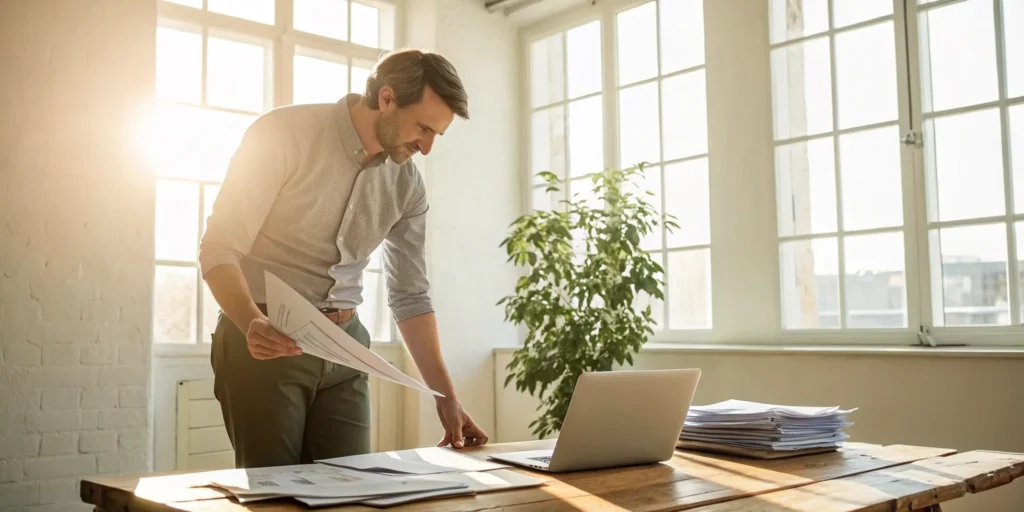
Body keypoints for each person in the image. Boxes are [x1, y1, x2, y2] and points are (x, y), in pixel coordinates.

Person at [199, 48, 489, 469]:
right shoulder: (282, 133)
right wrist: (249, 322)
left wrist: (447, 398)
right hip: (266, 339)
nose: (426, 148)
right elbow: (219, 247)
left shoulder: (407, 185)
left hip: (347, 348)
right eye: (423, 128)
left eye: (435, 136)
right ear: (386, 99)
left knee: (353, 491)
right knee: (275, 497)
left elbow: (410, 295)